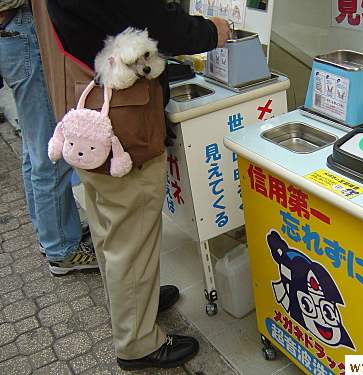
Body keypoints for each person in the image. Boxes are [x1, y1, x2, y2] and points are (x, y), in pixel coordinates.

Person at [34, 0, 230, 370]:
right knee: (131, 237)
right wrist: (209, 31)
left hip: (86, 109)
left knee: (111, 230)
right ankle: (137, 343)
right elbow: (155, 19)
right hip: (124, 123)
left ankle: (132, 305)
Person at [0, 1, 99, 275]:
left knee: (34, 151)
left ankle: (51, 232)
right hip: (23, 32)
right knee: (50, 154)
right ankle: (62, 250)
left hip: (14, 32)